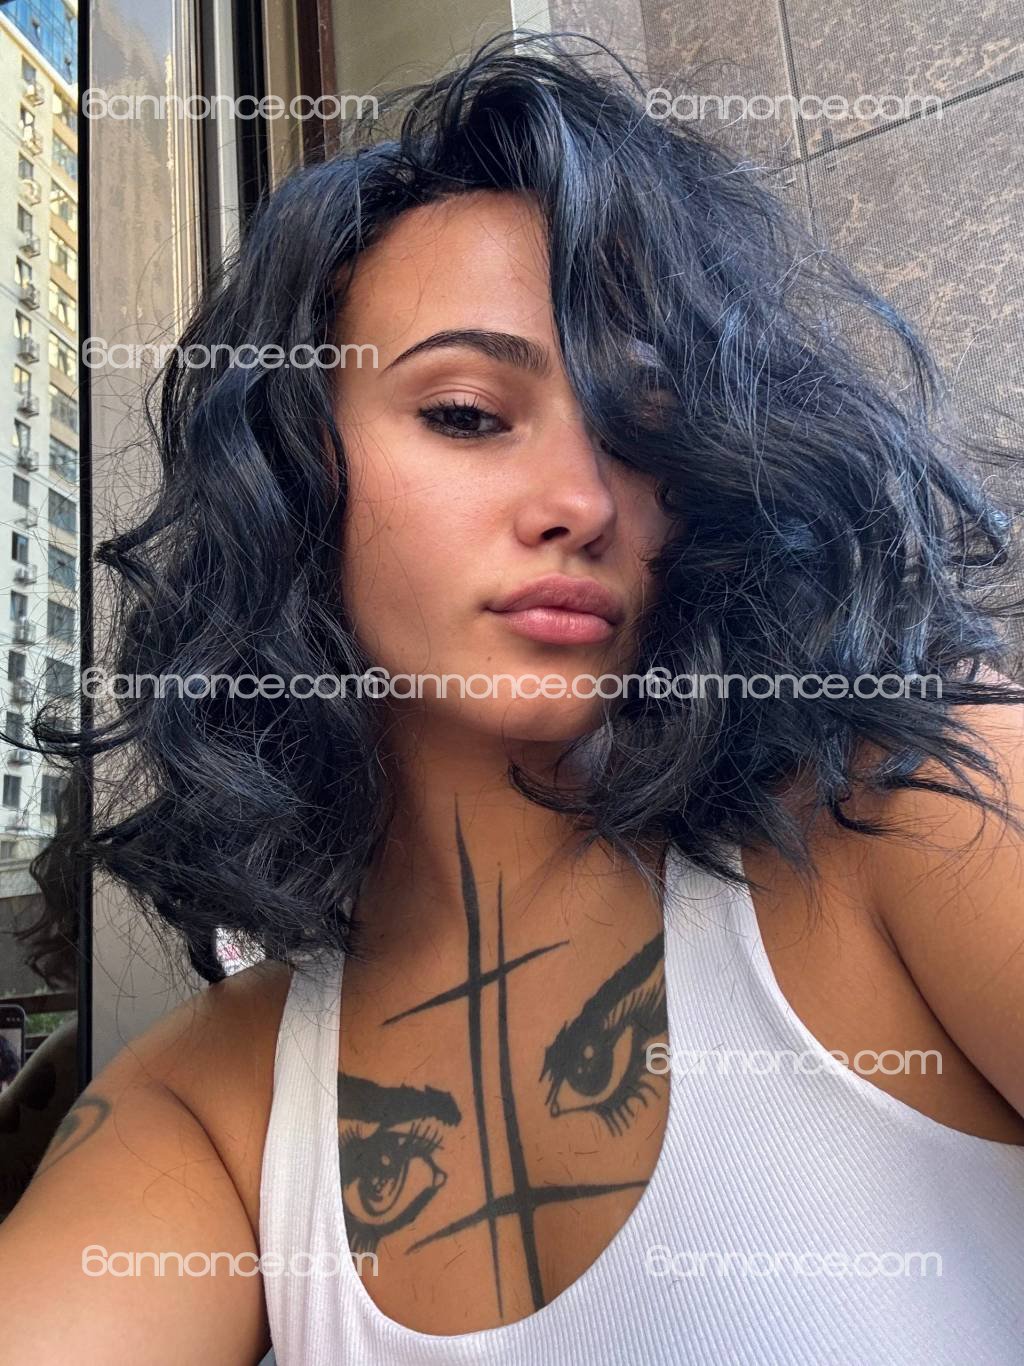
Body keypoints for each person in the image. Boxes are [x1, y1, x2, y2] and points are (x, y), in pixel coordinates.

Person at [2, 27, 1024, 1365]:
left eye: (644, 434)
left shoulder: (916, 813)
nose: (585, 501)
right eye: (470, 414)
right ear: (293, 475)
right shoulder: (219, 1109)